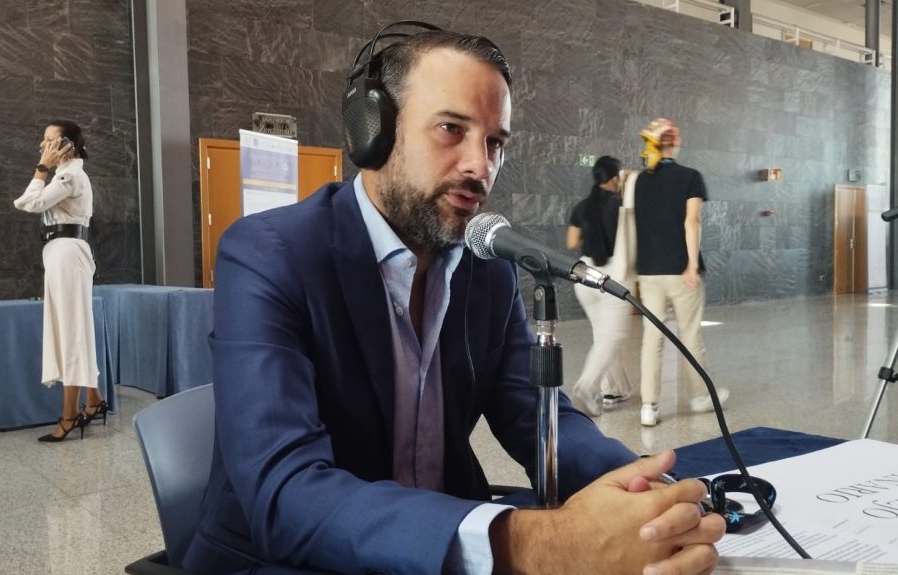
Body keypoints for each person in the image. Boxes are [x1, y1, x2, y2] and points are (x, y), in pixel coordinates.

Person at [185, 27, 723, 575]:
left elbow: (532, 412)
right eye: (450, 129)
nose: (479, 167)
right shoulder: (270, 254)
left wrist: (642, 488)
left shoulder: (484, 267)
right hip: (292, 558)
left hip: (436, 547)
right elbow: (284, 491)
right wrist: (539, 543)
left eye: (495, 142)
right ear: (373, 131)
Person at [13, 120, 107, 443]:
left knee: (71, 333)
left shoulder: (69, 175)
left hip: (68, 253)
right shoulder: (67, 175)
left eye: (48, 141)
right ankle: (93, 400)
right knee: (74, 328)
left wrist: (41, 169)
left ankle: (70, 416)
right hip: (62, 253)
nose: (43, 146)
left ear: (65, 145)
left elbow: (28, 202)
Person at [633, 118, 729, 427]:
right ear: (674, 143)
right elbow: (692, 222)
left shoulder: (640, 181)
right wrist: (691, 264)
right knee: (690, 335)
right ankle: (700, 397)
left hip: (648, 272)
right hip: (679, 271)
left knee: (652, 340)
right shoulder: (691, 177)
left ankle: (649, 406)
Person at [566, 156, 634, 417]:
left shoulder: (582, 206)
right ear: (614, 179)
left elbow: (572, 242)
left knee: (603, 334)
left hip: (585, 274)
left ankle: (612, 388)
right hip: (613, 274)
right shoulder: (621, 207)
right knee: (612, 336)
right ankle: (587, 386)